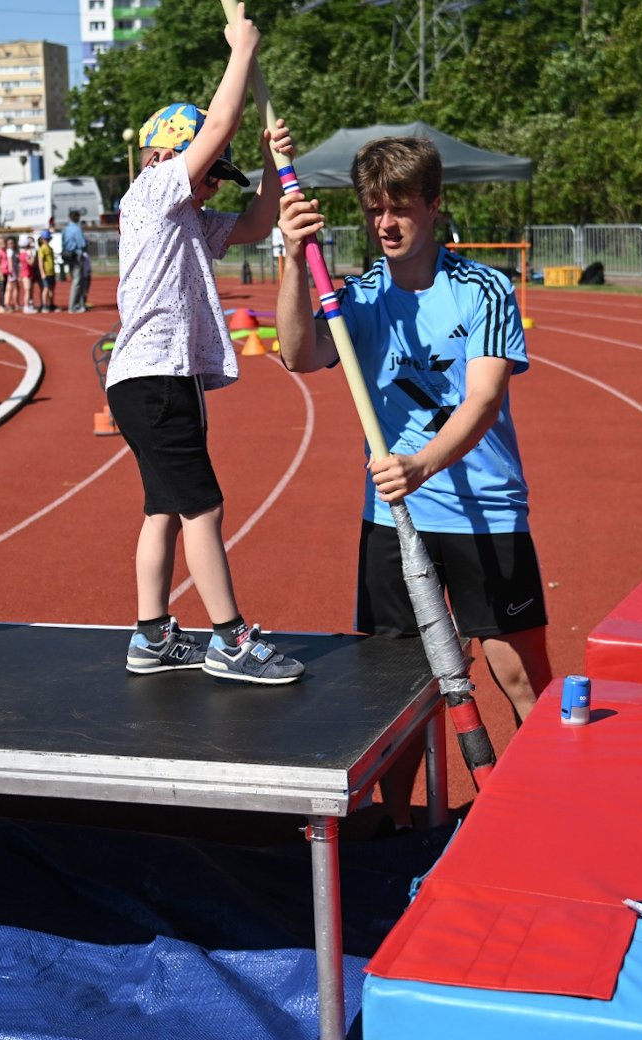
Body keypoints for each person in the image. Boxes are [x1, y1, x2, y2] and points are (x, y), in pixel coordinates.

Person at [275, 134, 553, 829]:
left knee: (519, 676)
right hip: (394, 522)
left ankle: (545, 811)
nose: (385, 224)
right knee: (395, 689)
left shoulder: (484, 288)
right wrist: (290, 261)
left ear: (433, 206)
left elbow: (483, 400)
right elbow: (297, 353)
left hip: (485, 513)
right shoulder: (359, 298)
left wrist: (422, 464)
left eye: (399, 208)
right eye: (373, 211)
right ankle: (396, 829)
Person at [108, 4, 303, 685]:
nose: (214, 181)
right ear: (167, 156)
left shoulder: (187, 216)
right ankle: (231, 640)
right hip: (153, 376)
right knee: (203, 506)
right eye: (210, 168)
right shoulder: (154, 192)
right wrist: (242, 51)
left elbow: (253, 226)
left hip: (161, 377)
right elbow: (216, 126)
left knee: (164, 506)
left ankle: (151, 635)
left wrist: (278, 166)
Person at [63, 209, 91, 312]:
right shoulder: (77, 229)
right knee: (77, 281)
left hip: (68, 256)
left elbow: (63, 242)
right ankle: (73, 306)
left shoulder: (65, 229)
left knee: (75, 280)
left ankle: (79, 303)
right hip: (76, 256)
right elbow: (82, 244)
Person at [36, 230, 57, 312]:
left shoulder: (50, 248)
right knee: (46, 288)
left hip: (52, 272)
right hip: (46, 272)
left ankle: (51, 304)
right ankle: (44, 305)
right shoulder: (42, 249)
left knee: (52, 289)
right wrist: (42, 272)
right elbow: (40, 261)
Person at [0, 234, 16, 312]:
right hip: (1, 273)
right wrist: (0, 274)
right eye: (2, 243)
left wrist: (9, 271)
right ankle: (1, 305)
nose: (3, 245)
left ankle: (3, 305)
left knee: (4, 289)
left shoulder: (5, 251)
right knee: (1, 290)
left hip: (6, 273)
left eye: (4, 243)